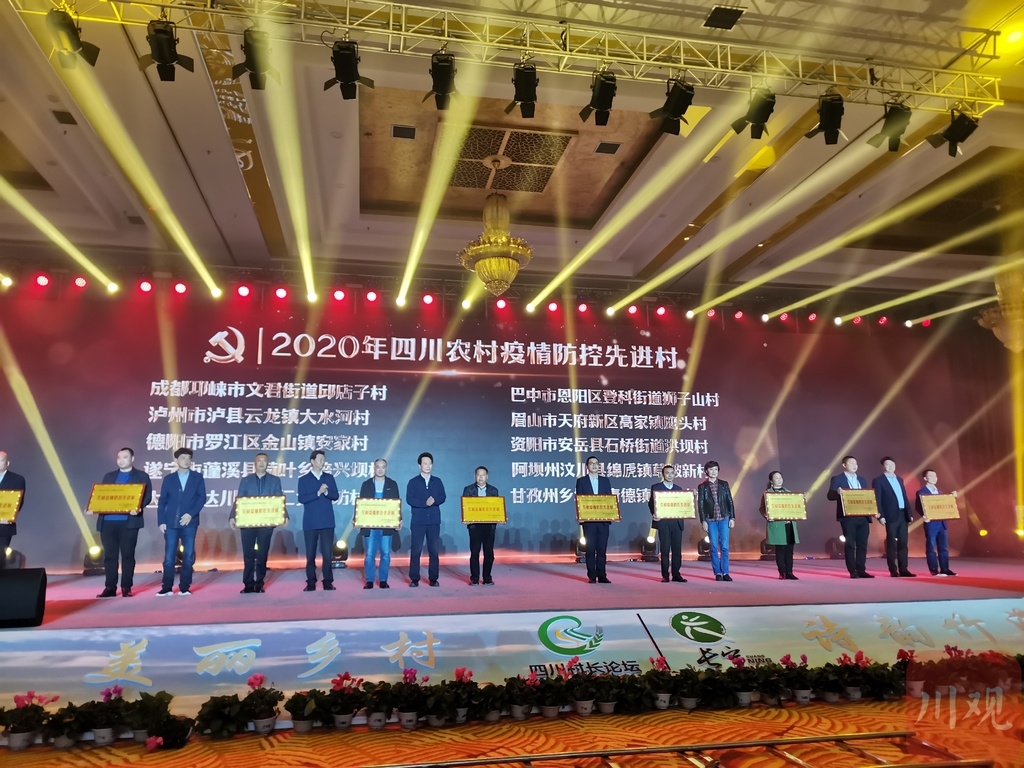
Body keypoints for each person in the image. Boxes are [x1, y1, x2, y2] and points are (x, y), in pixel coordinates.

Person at [95, 447, 153, 597]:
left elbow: (147, 496)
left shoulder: (141, 476)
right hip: (108, 522)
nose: (121, 460)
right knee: (110, 556)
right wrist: (93, 507)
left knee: (127, 555)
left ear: (132, 459)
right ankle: (110, 587)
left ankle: (126, 587)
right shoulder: (109, 476)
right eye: (119, 457)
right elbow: (101, 496)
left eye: (125, 457)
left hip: (129, 522)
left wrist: (138, 507)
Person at [230, 452, 285, 594]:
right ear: (254, 463)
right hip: (247, 523)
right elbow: (239, 499)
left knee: (262, 554)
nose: (261, 463)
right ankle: (248, 584)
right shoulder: (246, 480)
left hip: (266, 523)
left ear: (268, 463)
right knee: (248, 554)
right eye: (259, 460)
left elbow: (279, 499)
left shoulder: (275, 480)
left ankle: (259, 584)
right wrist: (232, 516)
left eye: (264, 461)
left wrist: (284, 515)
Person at [156, 447, 206, 596]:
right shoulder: (169, 479)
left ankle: (184, 587)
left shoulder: (197, 477)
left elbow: (201, 498)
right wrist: (161, 521)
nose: (186, 461)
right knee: (169, 557)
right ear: (176, 460)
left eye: (188, 458)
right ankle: (167, 587)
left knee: (188, 556)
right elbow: (162, 501)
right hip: (171, 523)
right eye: (183, 458)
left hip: (189, 523)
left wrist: (191, 514)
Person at [297, 450, 340, 592]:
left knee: (327, 554)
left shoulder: (329, 478)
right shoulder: (303, 479)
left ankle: (328, 581)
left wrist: (326, 492)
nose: (322, 462)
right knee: (310, 554)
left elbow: (336, 496)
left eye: (323, 460)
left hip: (327, 522)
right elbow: (301, 498)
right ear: (312, 461)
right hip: (310, 523)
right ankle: (311, 581)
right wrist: (318, 493)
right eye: (320, 459)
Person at [827, 455, 874, 579]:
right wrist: (837, 493)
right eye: (851, 463)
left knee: (862, 545)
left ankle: (861, 570)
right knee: (850, 544)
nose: (854, 465)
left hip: (863, 516)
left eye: (856, 463)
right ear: (844, 465)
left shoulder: (862, 479)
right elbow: (830, 496)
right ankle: (852, 571)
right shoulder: (837, 479)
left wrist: (873, 511)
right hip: (848, 517)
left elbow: (867, 497)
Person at [358, 458, 401, 589]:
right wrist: (357, 519)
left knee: (386, 554)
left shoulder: (392, 484)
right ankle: (370, 580)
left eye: (383, 467)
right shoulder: (366, 484)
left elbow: (396, 504)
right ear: (374, 468)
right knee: (370, 555)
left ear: (386, 468)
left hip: (386, 525)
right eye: (378, 467)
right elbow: (361, 505)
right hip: (370, 526)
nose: (380, 469)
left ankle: (383, 580)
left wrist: (398, 519)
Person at [407, 452, 446, 587]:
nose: (428, 466)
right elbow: (410, 499)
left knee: (434, 551)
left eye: (430, 463)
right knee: (416, 551)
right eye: (425, 463)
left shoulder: (437, 481)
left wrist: (435, 500)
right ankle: (414, 578)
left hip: (434, 521)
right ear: (420, 465)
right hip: (418, 521)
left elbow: (443, 496)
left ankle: (433, 578)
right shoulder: (413, 482)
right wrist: (425, 503)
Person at [872, 456, 916, 577]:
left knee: (903, 543)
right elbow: (877, 499)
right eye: (887, 464)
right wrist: (880, 516)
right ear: (883, 467)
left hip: (903, 514)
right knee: (891, 543)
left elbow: (904, 497)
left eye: (892, 464)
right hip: (890, 515)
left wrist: (909, 513)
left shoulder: (900, 479)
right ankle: (893, 570)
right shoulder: (878, 480)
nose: (890, 466)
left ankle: (904, 569)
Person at [575, 455, 613, 584]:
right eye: (591, 463)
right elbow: (579, 499)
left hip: (603, 521)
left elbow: (609, 499)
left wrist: (613, 514)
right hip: (589, 521)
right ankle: (592, 576)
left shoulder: (605, 481)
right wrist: (580, 515)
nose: (594, 465)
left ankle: (602, 575)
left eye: (596, 463)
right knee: (590, 549)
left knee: (602, 549)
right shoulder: (581, 481)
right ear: (587, 466)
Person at [697, 460, 735, 581]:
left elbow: (730, 501)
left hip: (724, 518)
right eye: (711, 469)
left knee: (725, 546)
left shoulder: (724, 484)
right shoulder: (702, 486)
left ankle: (726, 572)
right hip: (710, 519)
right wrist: (703, 520)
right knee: (713, 546)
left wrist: (732, 517)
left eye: (715, 469)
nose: (713, 472)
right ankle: (717, 572)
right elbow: (701, 505)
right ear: (706, 471)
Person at [915, 469, 958, 577]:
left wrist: (952, 497)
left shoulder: (940, 491)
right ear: (925, 478)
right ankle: (934, 570)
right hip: (931, 523)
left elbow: (945, 504)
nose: (934, 478)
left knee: (944, 547)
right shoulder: (922, 492)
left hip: (942, 523)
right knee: (931, 547)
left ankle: (945, 569)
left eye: (935, 476)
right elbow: (918, 507)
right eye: (931, 476)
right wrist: (924, 515)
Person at [758, 470, 799, 580]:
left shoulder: (788, 492)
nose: (779, 480)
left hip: (789, 524)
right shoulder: (767, 494)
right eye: (776, 478)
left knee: (789, 550)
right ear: (771, 481)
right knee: (780, 550)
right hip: (777, 525)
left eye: (780, 477)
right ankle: (782, 572)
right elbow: (761, 508)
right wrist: (767, 515)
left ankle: (789, 572)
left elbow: (795, 506)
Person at [649, 465, 686, 583]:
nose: (670, 475)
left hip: (676, 522)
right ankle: (665, 575)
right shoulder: (656, 487)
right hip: (663, 522)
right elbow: (651, 503)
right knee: (665, 550)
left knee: (677, 550)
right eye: (667, 473)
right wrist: (654, 513)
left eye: (672, 473)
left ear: (674, 474)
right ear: (663, 474)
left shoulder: (679, 489)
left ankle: (676, 574)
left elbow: (683, 504)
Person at [463, 466, 499, 586]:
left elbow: (496, 508)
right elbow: (466, 507)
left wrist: (499, 517)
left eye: (483, 475)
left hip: (489, 527)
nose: (481, 477)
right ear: (475, 476)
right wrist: (466, 518)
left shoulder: (493, 491)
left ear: (487, 477)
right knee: (474, 553)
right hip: (475, 527)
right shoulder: (468, 489)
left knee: (489, 554)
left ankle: (487, 578)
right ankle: (474, 578)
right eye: (478, 475)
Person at [0, 450, 26, 570]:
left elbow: (18, 502)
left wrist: (8, 517)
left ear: (7, 463)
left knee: (1, 556)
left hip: (4, 525)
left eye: (1, 461)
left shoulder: (17, 479)